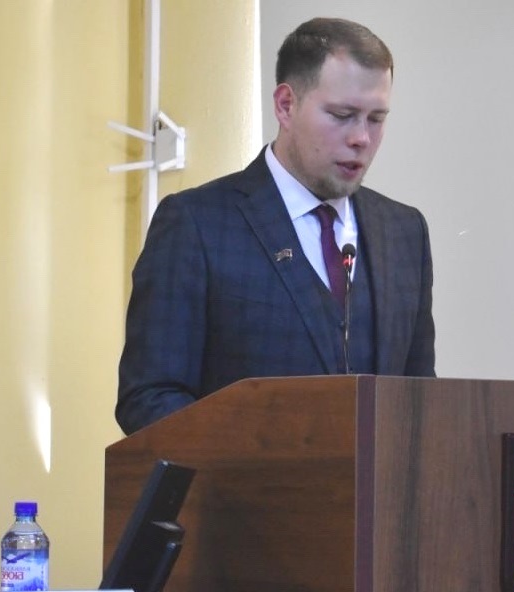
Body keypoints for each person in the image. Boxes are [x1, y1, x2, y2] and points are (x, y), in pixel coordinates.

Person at [116, 17, 435, 434]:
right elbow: (149, 399)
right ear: (285, 105)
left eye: (376, 119)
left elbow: (421, 403)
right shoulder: (197, 224)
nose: (361, 137)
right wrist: (259, 452)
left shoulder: (405, 232)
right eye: (342, 115)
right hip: (241, 477)